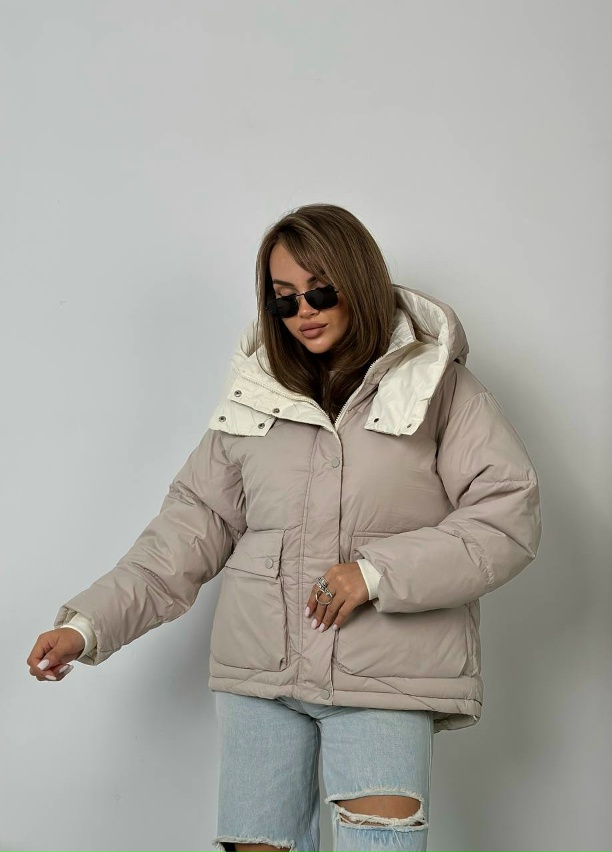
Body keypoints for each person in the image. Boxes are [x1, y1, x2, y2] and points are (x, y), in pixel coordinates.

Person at [27, 203, 542, 852]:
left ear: (359, 283)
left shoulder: (439, 389)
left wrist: (378, 574)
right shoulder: (254, 397)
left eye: (320, 291)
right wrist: (86, 626)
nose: (304, 311)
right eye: (284, 298)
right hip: (260, 677)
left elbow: (507, 515)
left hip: (385, 674)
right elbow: (185, 533)